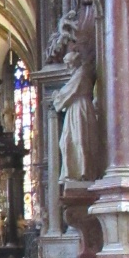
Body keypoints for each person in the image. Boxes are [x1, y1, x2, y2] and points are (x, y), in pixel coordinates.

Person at [52, 50, 99, 182]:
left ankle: (82, 173)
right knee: (67, 141)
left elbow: (69, 91)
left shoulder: (81, 73)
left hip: (80, 109)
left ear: (75, 62)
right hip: (74, 109)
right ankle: (73, 172)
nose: (68, 67)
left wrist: (57, 96)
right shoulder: (78, 73)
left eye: (69, 64)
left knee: (79, 139)